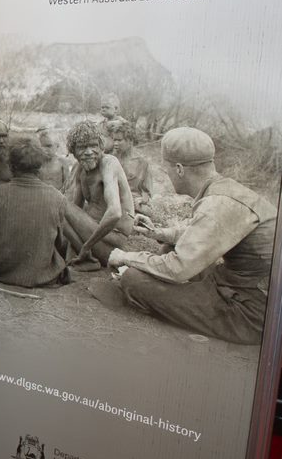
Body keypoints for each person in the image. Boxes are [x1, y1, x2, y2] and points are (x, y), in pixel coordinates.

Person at [108, 127, 277, 345]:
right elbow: (203, 233)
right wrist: (159, 233)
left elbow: (179, 269)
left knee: (133, 279)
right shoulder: (226, 189)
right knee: (168, 250)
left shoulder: (218, 204)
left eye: (167, 170)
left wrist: (125, 257)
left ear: (179, 169)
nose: (167, 176)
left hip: (255, 313)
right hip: (246, 288)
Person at [0, 139, 69, 287]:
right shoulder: (58, 198)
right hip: (41, 274)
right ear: (40, 167)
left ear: (10, 166)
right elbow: (59, 242)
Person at [63, 119, 134, 268]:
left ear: (101, 147)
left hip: (113, 240)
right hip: (95, 235)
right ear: (73, 151)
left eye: (94, 146)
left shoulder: (108, 164)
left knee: (58, 203)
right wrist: (70, 252)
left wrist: (86, 247)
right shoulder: (81, 170)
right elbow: (75, 210)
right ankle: (83, 258)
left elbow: (114, 213)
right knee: (59, 212)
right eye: (82, 147)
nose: (89, 152)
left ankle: (87, 257)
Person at [104, 119, 152, 213]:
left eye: (119, 140)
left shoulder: (142, 162)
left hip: (133, 202)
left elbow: (146, 191)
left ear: (130, 141)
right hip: (112, 201)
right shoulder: (109, 159)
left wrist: (142, 199)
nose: (115, 143)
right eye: (114, 140)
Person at [36, 126, 71, 193]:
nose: (45, 149)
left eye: (49, 146)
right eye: (42, 146)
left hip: (58, 197)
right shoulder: (37, 163)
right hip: (41, 196)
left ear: (57, 146)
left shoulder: (62, 162)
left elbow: (67, 184)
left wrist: (60, 195)